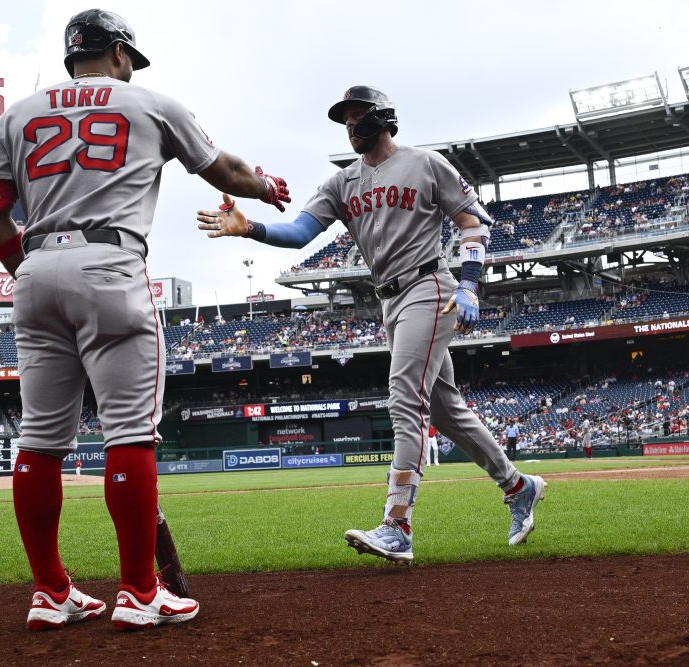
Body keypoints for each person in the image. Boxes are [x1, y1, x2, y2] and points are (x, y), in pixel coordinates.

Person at [0, 8, 290, 631]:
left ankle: (50, 592)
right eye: (130, 59)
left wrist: (28, 271)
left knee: (39, 439)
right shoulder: (150, 102)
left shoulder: (15, 114)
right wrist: (267, 186)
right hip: (110, 262)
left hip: (35, 267)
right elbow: (226, 172)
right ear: (118, 52)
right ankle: (142, 591)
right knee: (129, 434)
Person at [197, 85, 546, 564]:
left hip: (429, 285)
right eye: (344, 119)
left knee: (405, 397)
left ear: (382, 117)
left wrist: (469, 284)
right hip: (389, 300)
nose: (349, 125)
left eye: (356, 115)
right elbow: (299, 232)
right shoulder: (342, 182)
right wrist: (251, 228)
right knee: (445, 411)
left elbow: (473, 222)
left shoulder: (425, 164)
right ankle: (518, 486)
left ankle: (397, 524)